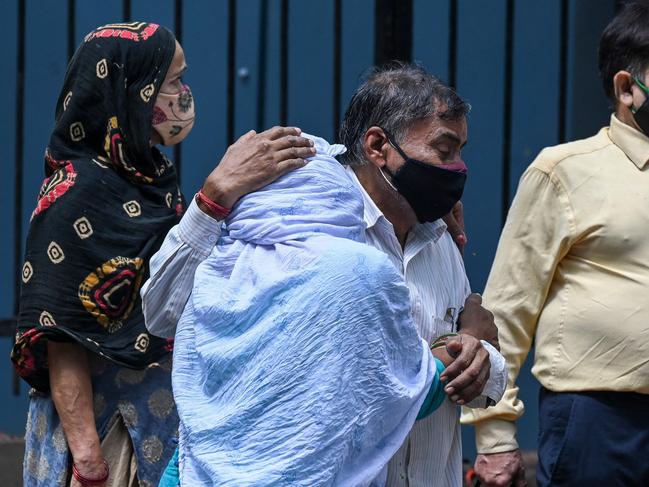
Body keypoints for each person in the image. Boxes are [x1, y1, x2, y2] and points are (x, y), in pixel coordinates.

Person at [143, 63, 507, 486]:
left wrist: (482, 360)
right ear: (377, 145)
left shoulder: (442, 238)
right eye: (444, 151)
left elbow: (472, 379)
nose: (458, 168)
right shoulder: (293, 230)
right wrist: (213, 198)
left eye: (461, 151)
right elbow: (163, 313)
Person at [10, 21, 311, 487]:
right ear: (132, 90)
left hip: (162, 428)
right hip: (107, 437)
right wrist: (89, 463)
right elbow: (61, 338)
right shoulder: (75, 191)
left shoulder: (149, 179)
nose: (183, 95)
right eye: (172, 82)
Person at [462, 3, 649, 486]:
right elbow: (507, 309)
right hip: (599, 423)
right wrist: (495, 434)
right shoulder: (564, 171)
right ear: (628, 88)